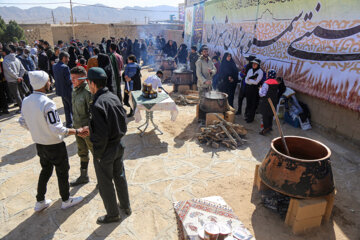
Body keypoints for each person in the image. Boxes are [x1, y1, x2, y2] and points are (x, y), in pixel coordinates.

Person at [18, 70, 84, 212]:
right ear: (43, 84)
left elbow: (22, 121)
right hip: (54, 145)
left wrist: (37, 130)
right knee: (62, 172)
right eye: (48, 80)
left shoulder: (26, 100)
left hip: (40, 145)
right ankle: (66, 200)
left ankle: (40, 201)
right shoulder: (47, 103)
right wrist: (77, 131)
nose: (50, 82)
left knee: (45, 170)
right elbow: (57, 128)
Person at [82, 67, 131, 224]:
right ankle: (126, 206)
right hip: (119, 144)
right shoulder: (113, 97)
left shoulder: (97, 104)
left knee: (105, 183)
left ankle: (113, 214)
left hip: (106, 150)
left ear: (93, 84)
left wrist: (98, 154)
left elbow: (101, 135)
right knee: (120, 176)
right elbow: (122, 121)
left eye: (88, 83)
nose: (88, 86)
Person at [69, 66, 93, 186]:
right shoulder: (75, 90)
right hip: (77, 129)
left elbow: (93, 114)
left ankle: (103, 178)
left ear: (83, 78)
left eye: (74, 78)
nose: (72, 80)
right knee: (82, 153)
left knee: (96, 154)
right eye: (71, 77)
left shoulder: (88, 92)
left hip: (88, 131)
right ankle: (84, 176)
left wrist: (88, 128)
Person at [2, 45, 25, 113]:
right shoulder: (16, 59)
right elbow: (22, 69)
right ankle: (25, 106)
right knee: (21, 94)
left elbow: (9, 71)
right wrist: (20, 77)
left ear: (4, 52)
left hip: (12, 80)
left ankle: (22, 108)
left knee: (16, 95)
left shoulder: (5, 61)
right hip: (19, 79)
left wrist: (17, 77)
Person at [53, 52, 73, 128]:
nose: (68, 60)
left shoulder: (55, 66)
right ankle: (75, 123)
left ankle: (69, 123)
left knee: (66, 108)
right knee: (72, 108)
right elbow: (68, 81)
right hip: (68, 91)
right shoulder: (65, 67)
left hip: (61, 90)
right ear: (64, 58)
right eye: (67, 58)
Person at [259, 70, 279, 135]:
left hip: (266, 101)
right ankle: (270, 127)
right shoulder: (276, 83)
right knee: (271, 114)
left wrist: (260, 89)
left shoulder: (266, 83)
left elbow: (262, 94)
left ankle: (265, 129)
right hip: (273, 101)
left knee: (265, 115)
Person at [245, 58, 263, 123]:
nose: (254, 65)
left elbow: (257, 82)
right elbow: (246, 80)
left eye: (255, 64)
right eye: (253, 63)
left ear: (258, 65)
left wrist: (249, 80)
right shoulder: (250, 70)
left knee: (253, 104)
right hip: (249, 88)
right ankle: (248, 116)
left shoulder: (260, 72)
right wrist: (252, 80)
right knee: (248, 102)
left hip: (255, 90)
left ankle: (251, 118)